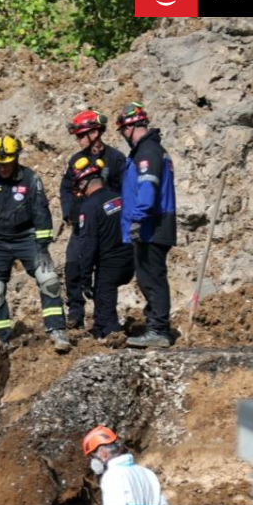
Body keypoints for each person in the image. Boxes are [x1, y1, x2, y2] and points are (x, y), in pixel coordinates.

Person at [0, 134, 69, 352]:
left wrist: (42, 247)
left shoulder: (30, 178)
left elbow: (41, 213)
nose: (3, 168)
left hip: (26, 237)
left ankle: (57, 330)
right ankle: (0, 339)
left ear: (16, 158)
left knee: (48, 279)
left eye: (7, 164)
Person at [115, 103, 177, 349]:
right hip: (153, 223)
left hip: (152, 224)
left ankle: (159, 330)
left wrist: (138, 219)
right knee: (148, 276)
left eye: (122, 132)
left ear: (130, 128)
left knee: (152, 277)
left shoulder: (147, 151)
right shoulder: (150, 150)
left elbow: (147, 189)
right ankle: (157, 327)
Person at [60, 111, 127, 331]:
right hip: (83, 222)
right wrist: (69, 212)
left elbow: (126, 191)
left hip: (109, 225)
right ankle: (76, 312)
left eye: (81, 135)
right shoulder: (76, 160)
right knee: (73, 265)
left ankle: (104, 321)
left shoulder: (116, 159)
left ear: (95, 132)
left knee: (105, 275)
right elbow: (66, 189)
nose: (78, 140)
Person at [70, 156, 134, 339]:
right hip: (130, 258)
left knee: (105, 307)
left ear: (84, 183)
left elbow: (88, 244)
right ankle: (98, 331)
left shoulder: (89, 207)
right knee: (101, 301)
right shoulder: (119, 197)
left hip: (109, 264)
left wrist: (85, 277)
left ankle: (111, 338)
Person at [83, 426, 169, 505]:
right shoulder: (148, 474)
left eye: (93, 457)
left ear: (103, 453)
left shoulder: (112, 476)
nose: (93, 463)